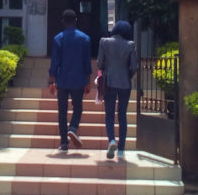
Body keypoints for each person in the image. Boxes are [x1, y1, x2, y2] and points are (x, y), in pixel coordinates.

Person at [48, 8, 93, 153]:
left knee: (62, 111)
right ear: (76, 21)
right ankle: (73, 127)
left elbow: (55, 61)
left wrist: (51, 81)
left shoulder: (58, 39)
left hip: (62, 80)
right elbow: (87, 62)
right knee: (77, 107)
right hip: (79, 80)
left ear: (63, 22)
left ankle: (63, 143)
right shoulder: (85, 38)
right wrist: (88, 80)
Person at [96, 20, 138, 159]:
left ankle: (112, 140)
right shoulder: (130, 45)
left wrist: (105, 69)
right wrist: (127, 75)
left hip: (109, 82)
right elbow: (134, 67)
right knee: (122, 115)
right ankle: (121, 149)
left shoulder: (104, 42)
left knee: (109, 114)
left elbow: (99, 63)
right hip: (125, 84)